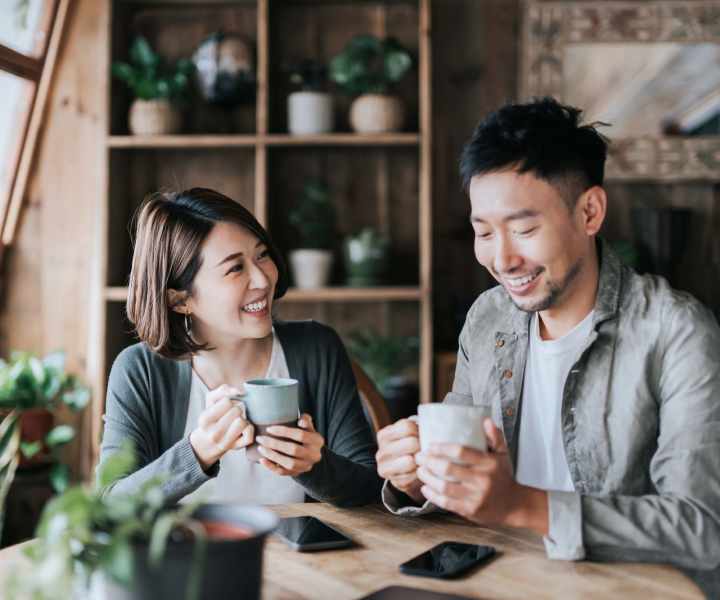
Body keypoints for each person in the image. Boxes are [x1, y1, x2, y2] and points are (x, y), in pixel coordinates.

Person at [375, 98, 720, 590]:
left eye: (524, 229)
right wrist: (415, 477)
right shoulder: (488, 317)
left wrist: (523, 505)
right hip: (500, 580)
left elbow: (701, 528)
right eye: (483, 232)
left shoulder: (677, 331)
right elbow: (461, 480)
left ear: (590, 212)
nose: (503, 258)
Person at [97, 188, 381, 507]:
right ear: (180, 300)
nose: (262, 279)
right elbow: (109, 505)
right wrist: (198, 452)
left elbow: (371, 490)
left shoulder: (317, 349)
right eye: (235, 268)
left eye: (261, 255)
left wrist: (314, 467)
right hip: (187, 556)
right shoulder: (140, 371)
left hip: (304, 558)